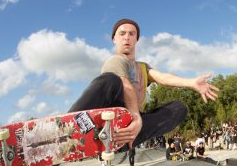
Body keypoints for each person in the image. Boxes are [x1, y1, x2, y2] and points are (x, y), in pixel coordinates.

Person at [68, 18, 219, 151]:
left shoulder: (142, 67)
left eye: (131, 34)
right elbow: (126, 85)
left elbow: (163, 77)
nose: (127, 37)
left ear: (136, 39)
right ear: (114, 38)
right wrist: (135, 117)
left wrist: (191, 82)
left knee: (179, 108)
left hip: (130, 130)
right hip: (111, 120)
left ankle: (123, 140)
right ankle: (68, 129)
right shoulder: (116, 61)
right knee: (110, 80)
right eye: (122, 33)